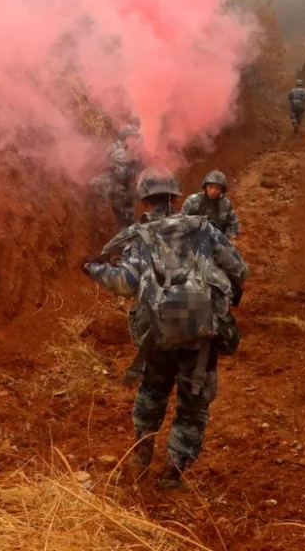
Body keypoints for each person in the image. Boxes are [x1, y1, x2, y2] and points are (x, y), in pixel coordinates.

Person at [83, 168, 248, 488]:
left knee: (152, 394)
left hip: (158, 338)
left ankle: (142, 452)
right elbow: (239, 268)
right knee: (193, 405)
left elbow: (125, 283)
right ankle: (175, 469)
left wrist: (91, 267)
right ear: (175, 199)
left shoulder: (140, 236)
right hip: (201, 338)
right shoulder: (203, 228)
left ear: (144, 201)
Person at [89, 120, 144, 230]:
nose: (136, 141)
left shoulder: (120, 148)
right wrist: (134, 160)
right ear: (127, 138)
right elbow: (123, 175)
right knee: (128, 200)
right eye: (134, 138)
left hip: (111, 184)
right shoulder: (120, 151)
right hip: (113, 187)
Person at [180, 170, 240, 239]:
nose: (213, 191)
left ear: (221, 190)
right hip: (194, 240)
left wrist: (224, 239)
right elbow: (181, 223)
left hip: (217, 241)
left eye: (217, 188)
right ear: (205, 187)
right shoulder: (192, 201)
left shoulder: (225, 204)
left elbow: (234, 226)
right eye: (210, 187)